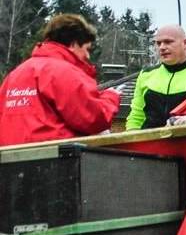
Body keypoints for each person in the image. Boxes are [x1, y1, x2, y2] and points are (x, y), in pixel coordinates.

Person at [0, 14, 121, 146]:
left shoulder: (15, 74)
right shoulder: (64, 72)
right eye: (87, 49)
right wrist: (111, 96)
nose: (87, 55)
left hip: (9, 159)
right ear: (74, 43)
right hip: (55, 158)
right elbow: (92, 119)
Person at [126, 25, 186, 130]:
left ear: (185, 43)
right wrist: (131, 141)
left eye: (168, 42)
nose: (162, 47)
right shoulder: (146, 74)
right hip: (148, 142)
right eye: (158, 43)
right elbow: (136, 116)